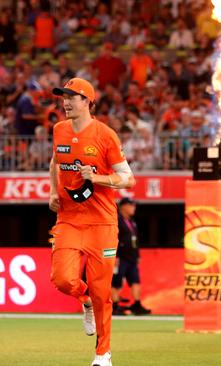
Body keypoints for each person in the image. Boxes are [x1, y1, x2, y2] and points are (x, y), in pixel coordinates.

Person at [49, 77, 136, 366]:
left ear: (88, 101)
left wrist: (97, 177)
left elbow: (129, 178)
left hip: (101, 223)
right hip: (69, 219)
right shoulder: (59, 129)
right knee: (62, 279)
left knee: (103, 293)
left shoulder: (105, 135)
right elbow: (55, 162)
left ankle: (103, 354)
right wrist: (52, 190)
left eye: (72, 97)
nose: (66, 101)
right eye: (64, 96)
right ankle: (83, 299)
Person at [111, 197, 151, 316]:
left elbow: (135, 240)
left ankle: (137, 304)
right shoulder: (117, 220)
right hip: (121, 256)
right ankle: (115, 305)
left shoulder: (132, 222)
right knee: (116, 282)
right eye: (131, 205)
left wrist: (137, 254)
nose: (134, 208)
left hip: (131, 257)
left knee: (135, 281)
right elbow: (113, 238)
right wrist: (115, 255)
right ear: (123, 206)